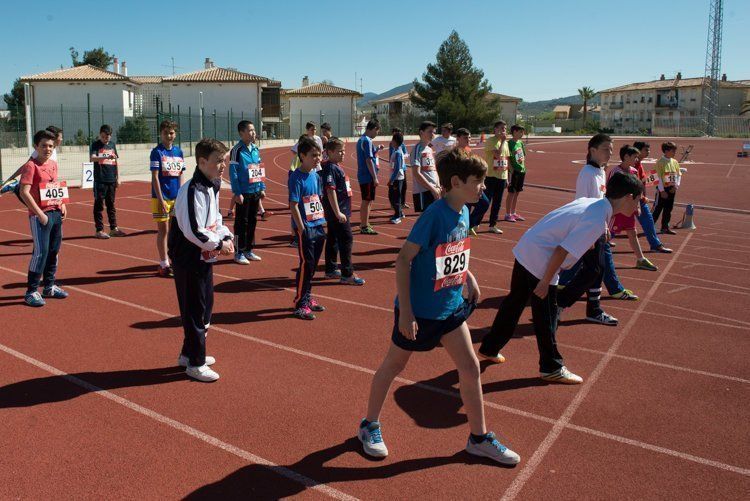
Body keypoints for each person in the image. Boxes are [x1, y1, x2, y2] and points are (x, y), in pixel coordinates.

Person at [358, 148, 520, 465]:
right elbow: (403, 261)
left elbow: (449, 251)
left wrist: (468, 277)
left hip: (449, 308)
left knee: (471, 367)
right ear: (457, 182)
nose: (484, 187)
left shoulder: (464, 210)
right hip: (419, 312)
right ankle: (369, 425)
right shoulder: (434, 215)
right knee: (394, 366)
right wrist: (405, 311)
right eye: (479, 181)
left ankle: (478, 438)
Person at [478, 172, 644, 383]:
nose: (638, 208)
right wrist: (545, 282)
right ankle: (551, 367)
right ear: (628, 197)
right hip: (541, 260)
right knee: (545, 316)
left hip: (527, 248)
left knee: (515, 302)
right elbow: (560, 250)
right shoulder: (596, 218)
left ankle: (490, 347)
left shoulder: (593, 204)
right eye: (638, 200)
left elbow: (570, 220)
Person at [168, 138, 233, 382]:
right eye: (218, 161)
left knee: (205, 307)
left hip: (203, 255)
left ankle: (189, 353)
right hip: (188, 257)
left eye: (223, 161)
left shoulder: (212, 185)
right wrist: (219, 244)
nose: (222, 166)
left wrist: (226, 234)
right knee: (195, 309)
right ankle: (195, 364)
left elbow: (215, 217)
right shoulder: (192, 189)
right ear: (202, 161)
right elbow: (194, 231)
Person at [556, 133, 621, 323]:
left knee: (598, 269)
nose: (609, 152)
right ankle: (560, 302)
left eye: (611, 149)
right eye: (605, 149)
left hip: (598, 227)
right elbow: (584, 204)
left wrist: (605, 226)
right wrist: (591, 233)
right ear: (592, 150)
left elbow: (601, 202)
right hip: (589, 228)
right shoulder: (587, 174)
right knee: (592, 270)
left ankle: (593, 309)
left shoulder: (600, 171)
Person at [18, 130, 69, 307]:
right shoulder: (31, 166)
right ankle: (31, 291)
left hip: (55, 213)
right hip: (40, 217)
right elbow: (23, 192)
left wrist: (62, 203)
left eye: (50, 146)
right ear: (35, 147)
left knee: (54, 251)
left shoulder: (53, 164)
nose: (47, 149)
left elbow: (54, 186)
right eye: (43, 146)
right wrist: (39, 213)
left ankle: (49, 286)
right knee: (41, 253)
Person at [289, 137, 327, 320]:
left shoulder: (315, 175)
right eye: (313, 155)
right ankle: (300, 303)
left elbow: (317, 200)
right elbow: (294, 205)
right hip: (306, 228)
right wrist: (302, 228)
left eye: (319, 155)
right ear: (302, 156)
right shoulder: (296, 177)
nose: (318, 158)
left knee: (313, 266)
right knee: (306, 265)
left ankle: (308, 297)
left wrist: (321, 221)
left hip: (318, 225)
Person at [321, 138, 366, 286]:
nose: (343, 153)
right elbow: (330, 191)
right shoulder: (330, 168)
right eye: (340, 151)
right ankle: (347, 273)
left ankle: (331, 268)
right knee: (346, 239)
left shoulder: (335, 166)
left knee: (333, 239)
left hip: (338, 211)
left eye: (344, 151)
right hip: (338, 212)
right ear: (330, 152)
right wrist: (338, 212)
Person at [608, 145, 658, 271]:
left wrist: (639, 203)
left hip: (629, 209)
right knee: (607, 234)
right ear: (626, 156)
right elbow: (610, 192)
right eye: (635, 157)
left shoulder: (634, 171)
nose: (637, 160)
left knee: (632, 232)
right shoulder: (615, 172)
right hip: (618, 210)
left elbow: (637, 189)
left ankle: (641, 259)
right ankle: (584, 257)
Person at [150, 120, 186, 277]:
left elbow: (181, 174)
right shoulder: (157, 152)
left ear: (175, 134)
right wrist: (161, 199)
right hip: (161, 198)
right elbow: (155, 177)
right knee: (163, 230)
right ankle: (163, 263)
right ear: (161, 134)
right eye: (165, 133)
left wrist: (181, 194)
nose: (169, 136)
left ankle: (174, 258)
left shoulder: (179, 152)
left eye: (171, 133)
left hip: (175, 197)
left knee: (175, 230)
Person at [229, 120, 265, 264]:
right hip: (243, 192)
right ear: (241, 133)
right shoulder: (236, 150)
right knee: (240, 224)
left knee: (252, 222)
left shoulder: (255, 149)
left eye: (254, 130)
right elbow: (233, 173)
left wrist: (262, 187)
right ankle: (238, 252)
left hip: (255, 191)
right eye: (250, 130)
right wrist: (237, 193)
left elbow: (259, 169)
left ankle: (248, 250)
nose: (253, 133)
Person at [2, 126, 64, 203]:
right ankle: (15, 187)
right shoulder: (40, 151)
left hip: (46, 186)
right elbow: (26, 165)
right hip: (35, 185)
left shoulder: (51, 151)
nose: (61, 139)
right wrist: (11, 178)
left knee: (44, 207)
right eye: (60, 137)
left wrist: (61, 202)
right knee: (35, 205)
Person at [632, 141, 672, 253]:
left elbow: (645, 180)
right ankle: (598, 242)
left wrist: (665, 177)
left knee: (648, 221)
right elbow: (636, 183)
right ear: (638, 150)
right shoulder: (633, 164)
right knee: (617, 222)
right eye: (646, 150)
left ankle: (655, 244)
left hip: (638, 199)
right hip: (632, 200)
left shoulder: (639, 164)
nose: (648, 152)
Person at [90, 124, 125, 239]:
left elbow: (115, 161)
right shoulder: (95, 145)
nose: (107, 138)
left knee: (111, 204)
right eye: (105, 136)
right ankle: (99, 230)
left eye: (109, 136)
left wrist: (118, 177)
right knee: (99, 205)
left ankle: (113, 228)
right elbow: (92, 158)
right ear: (100, 134)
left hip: (111, 179)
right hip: (100, 179)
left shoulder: (112, 145)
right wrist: (104, 157)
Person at [456, 128, 490, 235]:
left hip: (472, 184)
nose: (468, 140)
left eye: (469, 137)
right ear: (458, 138)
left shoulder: (468, 150)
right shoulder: (455, 153)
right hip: (462, 185)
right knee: (466, 206)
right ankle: (464, 228)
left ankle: (470, 224)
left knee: (484, 203)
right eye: (465, 138)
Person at [483, 121, 510, 234]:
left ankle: (492, 225)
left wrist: (507, 178)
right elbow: (497, 155)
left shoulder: (506, 143)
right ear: (495, 129)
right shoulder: (490, 141)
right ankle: (475, 223)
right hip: (491, 176)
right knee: (485, 201)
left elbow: (505, 159)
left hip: (502, 176)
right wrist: (503, 140)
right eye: (501, 128)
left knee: (497, 202)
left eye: (505, 128)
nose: (504, 130)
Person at [357, 119, 382, 235]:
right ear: (373, 129)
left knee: (369, 200)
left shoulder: (362, 140)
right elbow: (368, 160)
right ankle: (364, 225)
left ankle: (365, 222)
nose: (377, 134)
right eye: (377, 131)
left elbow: (368, 155)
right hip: (367, 176)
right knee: (366, 200)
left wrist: (377, 149)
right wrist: (375, 177)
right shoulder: (367, 141)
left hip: (365, 175)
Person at [411, 121, 441, 212]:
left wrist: (438, 186)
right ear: (421, 132)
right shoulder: (417, 149)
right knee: (425, 220)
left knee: (433, 219)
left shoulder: (429, 149)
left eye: (434, 132)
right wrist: (432, 189)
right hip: (423, 191)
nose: (433, 134)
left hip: (434, 189)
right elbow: (416, 173)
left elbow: (434, 170)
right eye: (430, 131)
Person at [652, 141, 681, 235]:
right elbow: (658, 177)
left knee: (668, 209)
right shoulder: (660, 162)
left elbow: (678, 175)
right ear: (666, 151)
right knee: (658, 209)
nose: (674, 152)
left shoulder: (675, 162)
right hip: (662, 190)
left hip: (672, 189)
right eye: (673, 151)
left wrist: (676, 186)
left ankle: (665, 227)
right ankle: (650, 227)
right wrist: (662, 191)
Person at [504, 125, 526, 222]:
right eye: (521, 132)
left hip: (521, 170)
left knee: (517, 193)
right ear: (515, 132)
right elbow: (507, 157)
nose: (522, 134)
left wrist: (523, 168)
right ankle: (508, 214)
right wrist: (511, 169)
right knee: (511, 192)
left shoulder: (520, 143)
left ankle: (513, 212)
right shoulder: (509, 143)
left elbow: (523, 156)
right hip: (514, 171)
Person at [387, 132, 406, 224]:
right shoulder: (396, 150)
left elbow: (397, 168)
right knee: (393, 196)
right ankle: (399, 212)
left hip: (397, 179)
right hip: (396, 178)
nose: (391, 142)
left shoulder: (398, 152)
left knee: (394, 197)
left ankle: (398, 215)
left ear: (395, 141)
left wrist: (391, 180)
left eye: (392, 140)